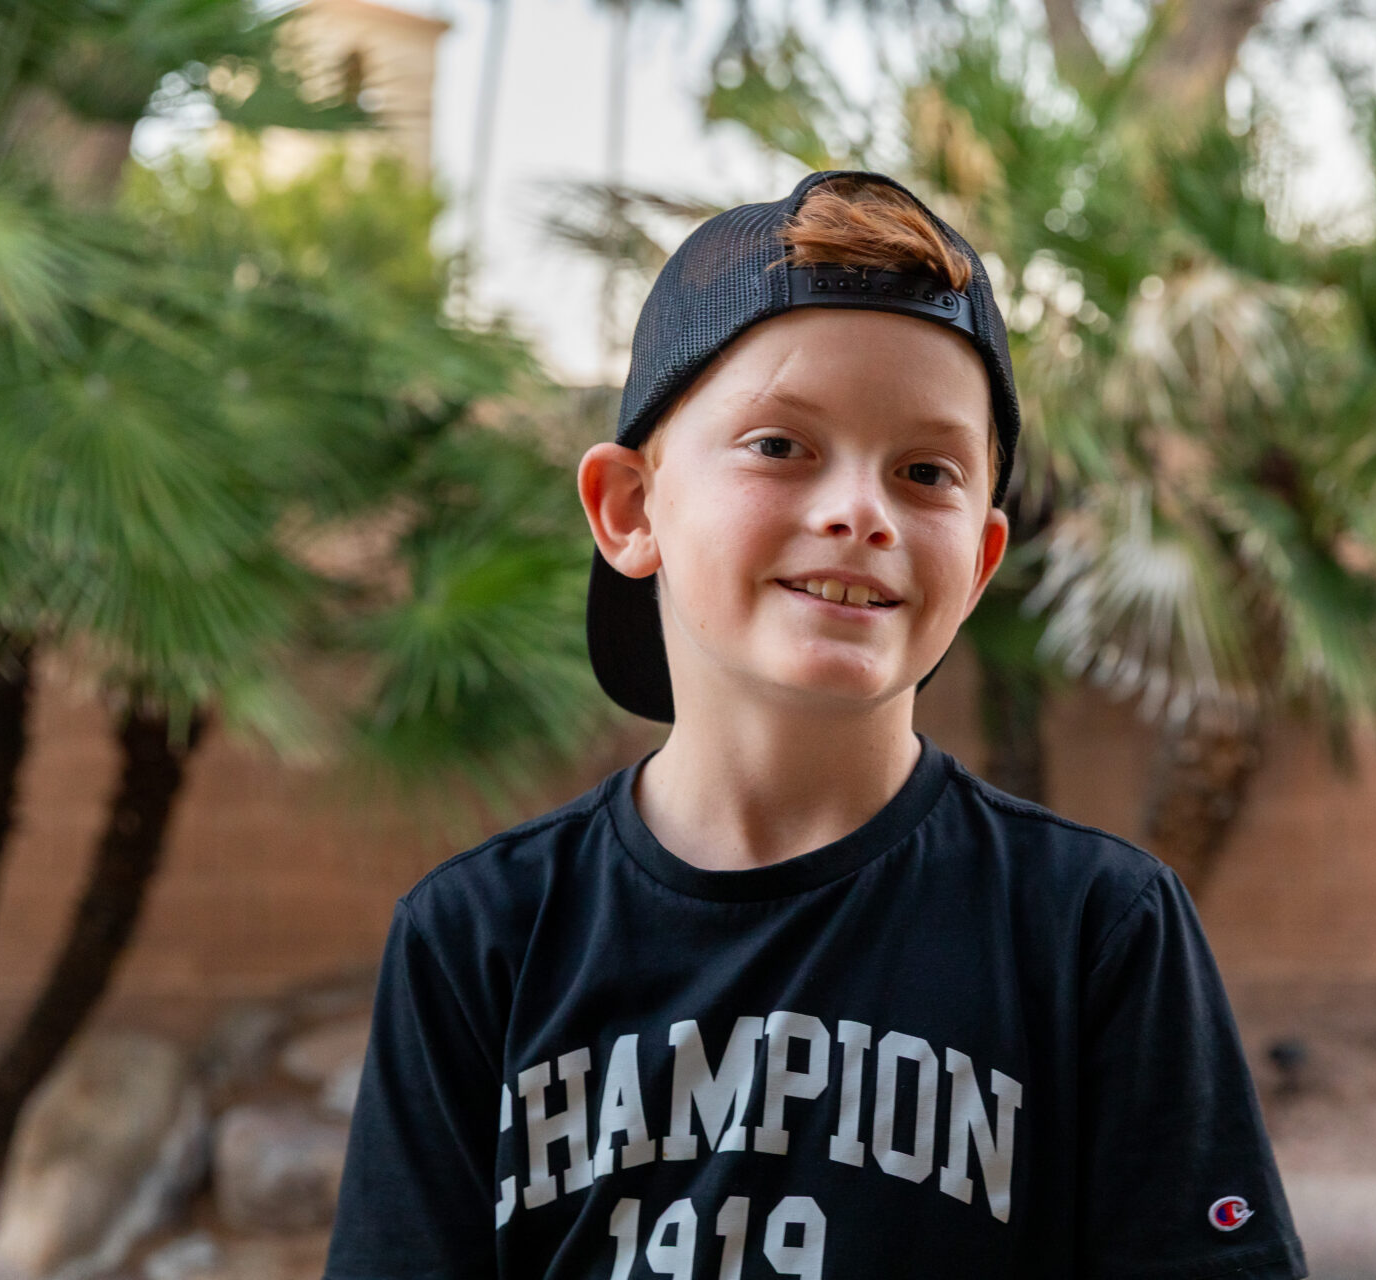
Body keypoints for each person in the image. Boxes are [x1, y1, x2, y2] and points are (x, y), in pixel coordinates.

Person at [322, 169, 1308, 1279]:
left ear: (980, 560)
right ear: (631, 508)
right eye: (780, 445)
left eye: (926, 471)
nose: (861, 512)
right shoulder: (479, 938)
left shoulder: (1097, 931)